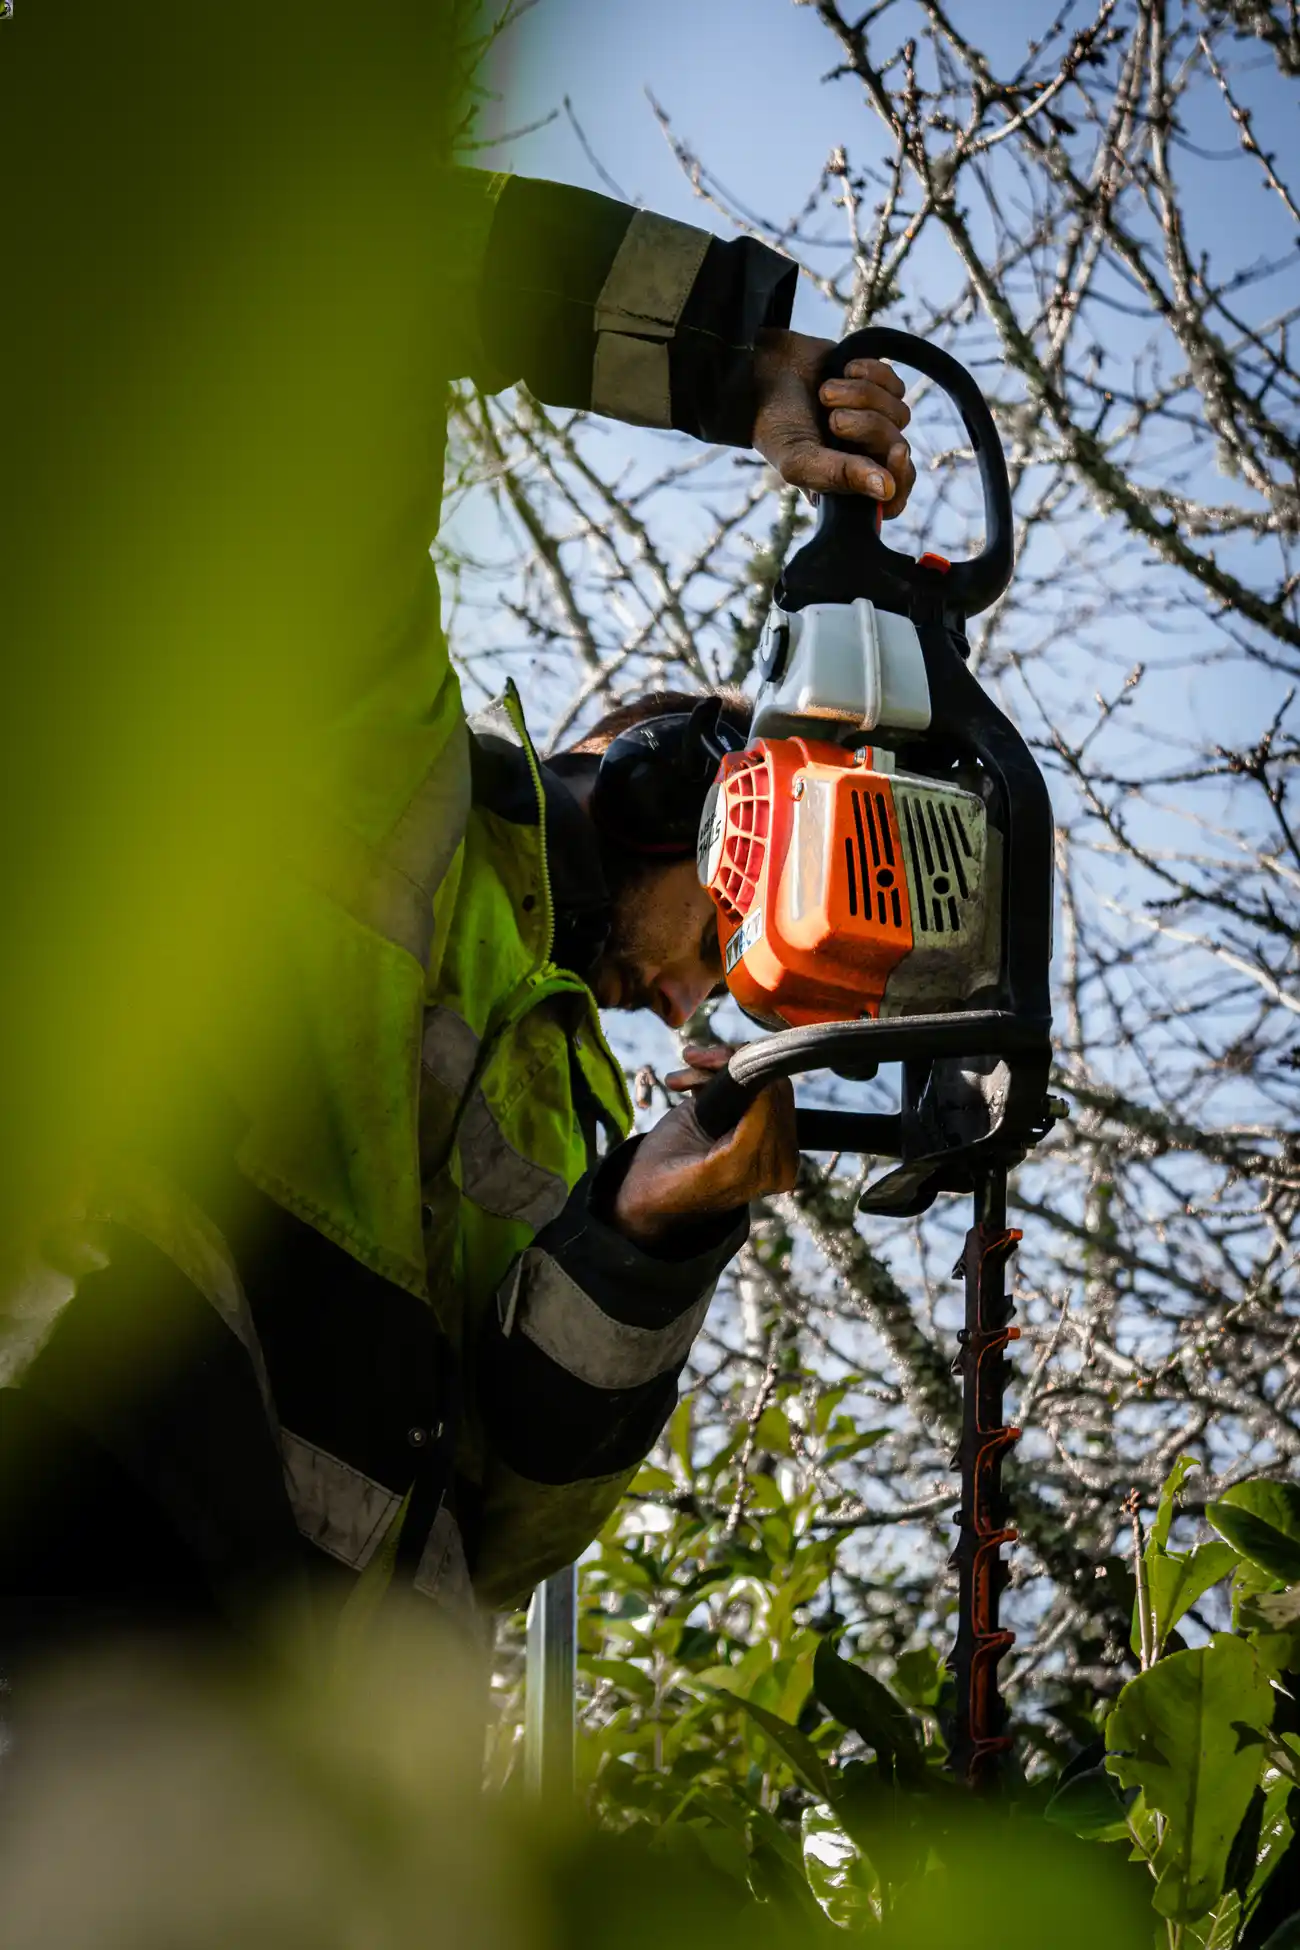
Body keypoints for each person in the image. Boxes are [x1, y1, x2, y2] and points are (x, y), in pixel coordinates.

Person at [0, 17, 915, 1668]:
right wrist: (738, 357)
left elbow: (502, 1522)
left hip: (293, 1743)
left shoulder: (584, 1119)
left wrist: (651, 1237)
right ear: (664, 774)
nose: (681, 998)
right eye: (729, 925)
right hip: (79, 1467)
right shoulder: (357, 724)